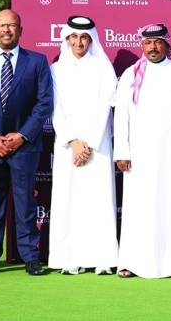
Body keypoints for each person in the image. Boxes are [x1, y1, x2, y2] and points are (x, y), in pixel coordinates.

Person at [0, 9, 53, 276]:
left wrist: (22, 135)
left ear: (20, 29)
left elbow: (44, 103)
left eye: (11, 25)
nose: (6, 30)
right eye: (1, 26)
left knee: (25, 202)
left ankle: (30, 257)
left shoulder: (37, 61)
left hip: (24, 147)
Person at [113, 23, 171, 279]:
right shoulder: (131, 74)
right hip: (138, 157)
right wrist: (122, 152)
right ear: (142, 45)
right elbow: (121, 117)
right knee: (137, 208)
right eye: (148, 42)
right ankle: (131, 262)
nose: (152, 47)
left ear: (167, 44)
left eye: (157, 42)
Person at [48, 16, 119, 275]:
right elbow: (55, 108)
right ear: (67, 38)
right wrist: (74, 140)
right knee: (68, 200)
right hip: (68, 146)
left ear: (91, 40)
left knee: (98, 199)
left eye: (84, 37)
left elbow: (106, 106)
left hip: (97, 147)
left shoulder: (103, 67)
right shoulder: (56, 69)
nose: (79, 42)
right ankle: (69, 258)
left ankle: (102, 258)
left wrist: (87, 141)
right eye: (74, 37)